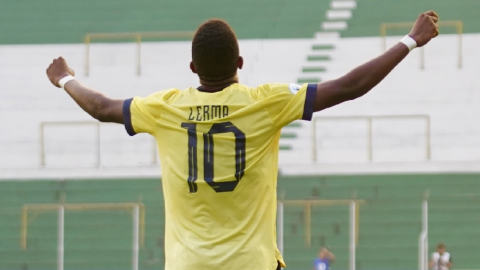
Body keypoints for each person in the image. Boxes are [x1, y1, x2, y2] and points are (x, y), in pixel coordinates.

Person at [46, 11, 439, 270]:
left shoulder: (164, 108)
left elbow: (100, 106)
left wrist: (65, 78)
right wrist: (410, 40)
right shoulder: (264, 103)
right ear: (239, 64)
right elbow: (350, 86)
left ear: (193, 68)